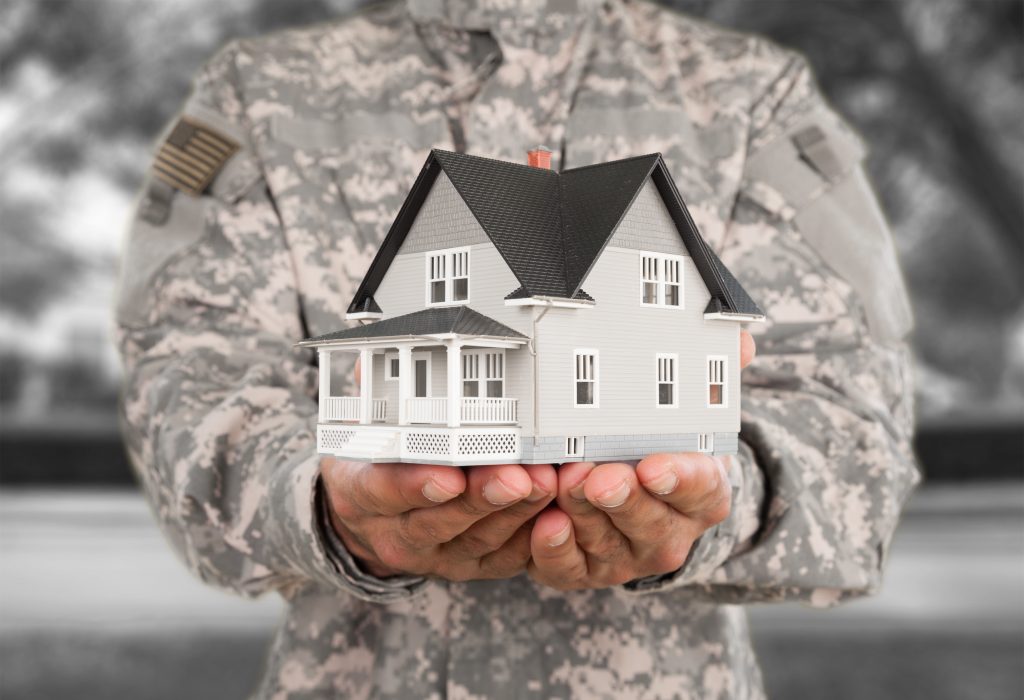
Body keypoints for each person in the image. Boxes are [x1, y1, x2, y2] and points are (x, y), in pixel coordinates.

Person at [115, 0, 919, 697]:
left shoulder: (751, 95)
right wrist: (324, 503)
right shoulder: (260, 94)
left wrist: (719, 495)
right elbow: (186, 382)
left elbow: (857, 435)